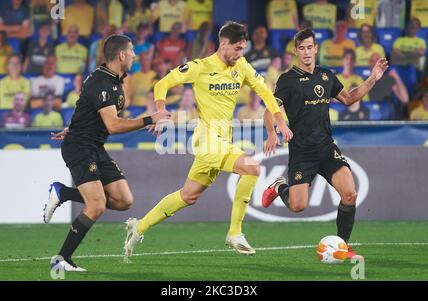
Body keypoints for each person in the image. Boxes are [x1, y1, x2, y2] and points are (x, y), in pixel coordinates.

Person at [123, 21, 291, 259]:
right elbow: (162, 84)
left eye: (243, 49)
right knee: (252, 167)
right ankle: (235, 232)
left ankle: (138, 226)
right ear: (224, 44)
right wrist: (160, 113)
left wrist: (279, 120)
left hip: (222, 139)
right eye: (237, 49)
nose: (240, 54)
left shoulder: (241, 66)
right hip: (207, 139)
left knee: (188, 195)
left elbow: (265, 92)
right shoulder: (200, 67)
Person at [45, 34, 171, 271]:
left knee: (124, 200)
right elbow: (113, 125)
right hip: (80, 147)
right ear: (121, 55)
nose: (135, 54)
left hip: (94, 145)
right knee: (96, 205)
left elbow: (89, 111)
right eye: (132, 50)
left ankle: (63, 192)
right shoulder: (103, 83)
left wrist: (73, 126)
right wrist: (148, 119)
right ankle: (61, 259)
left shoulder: (112, 79)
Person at [261, 28, 388, 258]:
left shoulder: (326, 76)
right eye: (302, 48)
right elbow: (269, 110)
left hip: (326, 147)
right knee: (298, 206)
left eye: (310, 47)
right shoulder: (287, 80)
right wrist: (274, 131)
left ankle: (342, 246)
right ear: (296, 51)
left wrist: (372, 79)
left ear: (316, 48)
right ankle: (279, 186)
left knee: (349, 194)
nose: (307, 52)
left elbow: (349, 99)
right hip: (302, 152)